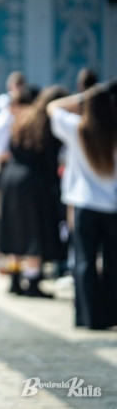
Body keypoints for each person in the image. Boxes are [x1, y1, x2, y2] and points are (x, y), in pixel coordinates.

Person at [47, 83, 117, 329]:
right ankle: (111, 313)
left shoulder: (78, 129)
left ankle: (88, 315)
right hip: (112, 205)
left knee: (85, 261)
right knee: (112, 262)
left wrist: (83, 97)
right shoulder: (113, 132)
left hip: (85, 203)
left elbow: (52, 107)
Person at [0, 86, 66, 297]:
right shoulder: (47, 123)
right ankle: (33, 280)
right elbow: (50, 159)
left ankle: (15, 278)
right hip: (34, 180)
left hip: (12, 176)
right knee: (34, 231)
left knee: (15, 229)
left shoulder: (24, 118)